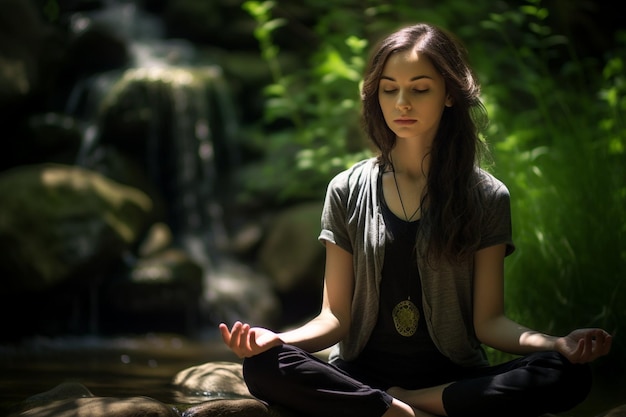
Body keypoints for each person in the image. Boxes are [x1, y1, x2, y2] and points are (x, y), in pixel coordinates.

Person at [219, 22, 612, 417]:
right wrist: (275, 340)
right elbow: (334, 318)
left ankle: (416, 402)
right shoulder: (346, 188)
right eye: (389, 89)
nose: (402, 103)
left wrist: (556, 344)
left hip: (452, 375)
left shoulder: (487, 196)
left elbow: (489, 323)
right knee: (263, 366)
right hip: (359, 376)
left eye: (419, 89)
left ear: (449, 95)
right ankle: (391, 408)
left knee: (568, 374)